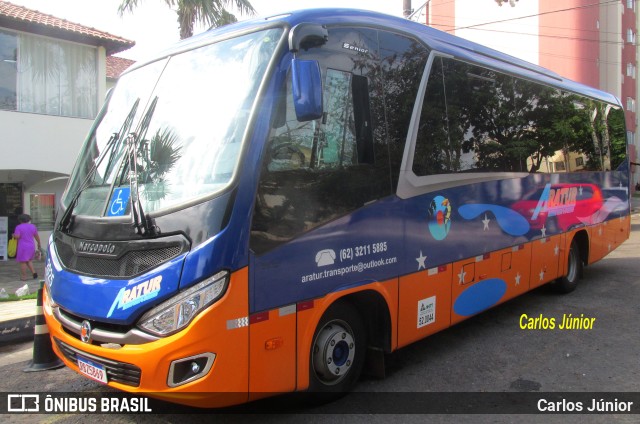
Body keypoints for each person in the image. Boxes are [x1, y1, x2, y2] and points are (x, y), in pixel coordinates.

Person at [13, 214, 41, 281]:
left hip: (23, 246)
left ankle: (24, 276)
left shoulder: (18, 227)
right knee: (29, 260)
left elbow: (17, 236)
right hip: (31, 245)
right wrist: (39, 243)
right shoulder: (33, 226)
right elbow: (36, 236)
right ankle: (34, 273)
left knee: (23, 261)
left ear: (20, 220)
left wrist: (13, 235)